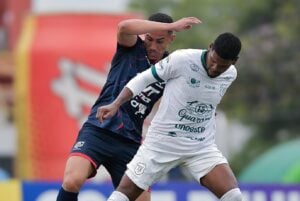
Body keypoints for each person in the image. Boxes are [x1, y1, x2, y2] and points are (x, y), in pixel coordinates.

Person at [56, 13, 201, 201]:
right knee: (72, 180)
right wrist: (171, 24)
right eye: (149, 39)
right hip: (98, 130)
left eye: (160, 41)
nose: (153, 46)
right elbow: (124, 26)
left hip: (130, 142)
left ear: (171, 40)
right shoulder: (131, 49)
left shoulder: (170, 69)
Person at [97, 32, 243, 201]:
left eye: (222, 66)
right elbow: (142, 79)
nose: (215, 68)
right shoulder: (182, 59)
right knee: (124, 194)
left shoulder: (231, 74)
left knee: (234, 196)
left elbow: (206, 98)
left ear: (234, 62)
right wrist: (115, 104)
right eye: (213, 61)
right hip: (162, 143)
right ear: (210, 48)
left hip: (200, 146)